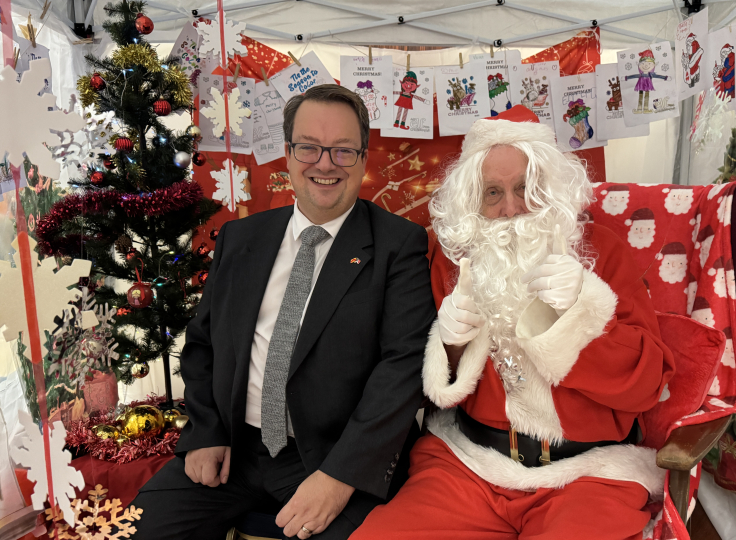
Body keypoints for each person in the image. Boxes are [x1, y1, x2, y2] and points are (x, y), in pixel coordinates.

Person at [352, 105, 675, 539]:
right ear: (472, 201)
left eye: (526, 188)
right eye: (492, 193)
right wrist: (446, 346)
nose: (511, 209)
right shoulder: (448, 262)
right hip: (467, 467)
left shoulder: (602, 251)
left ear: (551, 188)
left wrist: (579, 317)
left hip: (587, 477)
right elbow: (419, 384)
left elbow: (647, 385)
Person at [132, 84, 435, 540]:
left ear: (364, 158)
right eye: (309, 147)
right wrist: (205, 431)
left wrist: (340, 477)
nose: (325, 163)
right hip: (235, 449)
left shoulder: (399, 246)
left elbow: (404, 367)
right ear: (289, 155)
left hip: (330, 457)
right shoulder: (240, 238)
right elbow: (203, 343)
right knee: (134, 532)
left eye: (342, 150)